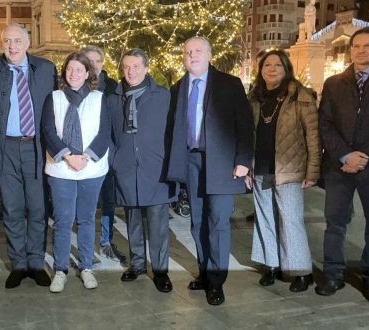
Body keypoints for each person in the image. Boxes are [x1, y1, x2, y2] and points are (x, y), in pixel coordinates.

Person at [167, 36, 253, 305]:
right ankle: (205, 273)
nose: (192, 55)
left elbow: (245, 125)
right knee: (197, 223)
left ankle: (216, 282)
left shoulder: (230, 84)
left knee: (217, 222)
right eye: (188, 52)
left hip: (223, 163)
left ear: (208, 54)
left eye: (198, 51)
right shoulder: (178, 88)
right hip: (191, 162)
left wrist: (243, 160)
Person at [316, 27, 369, 305]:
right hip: (340, 167)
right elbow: (324, 123)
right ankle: (333, 274)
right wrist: (344, 156)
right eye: (356, 46)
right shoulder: (334, 83)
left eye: (367, 46)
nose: (361, 50)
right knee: (334, 223)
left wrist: (363, 156)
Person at [0, 23, 56, 288]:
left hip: (36, 148)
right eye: (6, 41)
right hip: (6, 148)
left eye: (16, 41)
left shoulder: (46, 69)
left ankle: (36, 263)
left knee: (37, 208)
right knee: (12, 209)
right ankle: (18, 264)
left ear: (27, 44)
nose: (11, 46)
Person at [245, 50, 320, 292]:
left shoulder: (301, 96)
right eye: (267, 64)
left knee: (291, 220)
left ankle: (300, 271)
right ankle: (272, 265)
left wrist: (313, 172)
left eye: (278, 65)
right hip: (261, 168)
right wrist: (247, 168)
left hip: (289, 169)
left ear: (286, 69)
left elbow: (313, 138)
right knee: (265, 218)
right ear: (261, 69)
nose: (272, 69)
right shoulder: (255, 98)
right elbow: (248, 135)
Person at [108, 48, 178, 293]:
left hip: (155, 167)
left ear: (147, 68)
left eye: (136, 66)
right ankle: (137, 264)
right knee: (133, 220)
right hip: (126, 167)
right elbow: (108, 133)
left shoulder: (163, 96)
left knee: (158, 224)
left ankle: (160, 271)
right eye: (126, 66)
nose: (131, 71)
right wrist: (115, 159)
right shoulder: (114, 97)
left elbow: (173, 133)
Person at [42, 52, 110, 292]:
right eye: (70, 69)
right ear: (64, 73)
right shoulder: (54, 98)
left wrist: (87, 157)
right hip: (62, 169)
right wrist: (69, 156)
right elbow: (48, 131)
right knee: (62, 221)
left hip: (91, 169)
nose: (74, 74)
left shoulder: (99, 98)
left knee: (86, 219)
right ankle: (60, 269)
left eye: (79, 70)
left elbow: (104, 133)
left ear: (88, 73)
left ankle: (86, 267)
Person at [80, 45, 123, 262]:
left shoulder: (114, 87)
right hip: (82, 155)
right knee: (84, 205)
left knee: (108, 201)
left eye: (98, 61)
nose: (94, 65)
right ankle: (84, 246)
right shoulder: (76, 84)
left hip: (108, 153)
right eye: (90, 61)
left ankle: (106, 242)